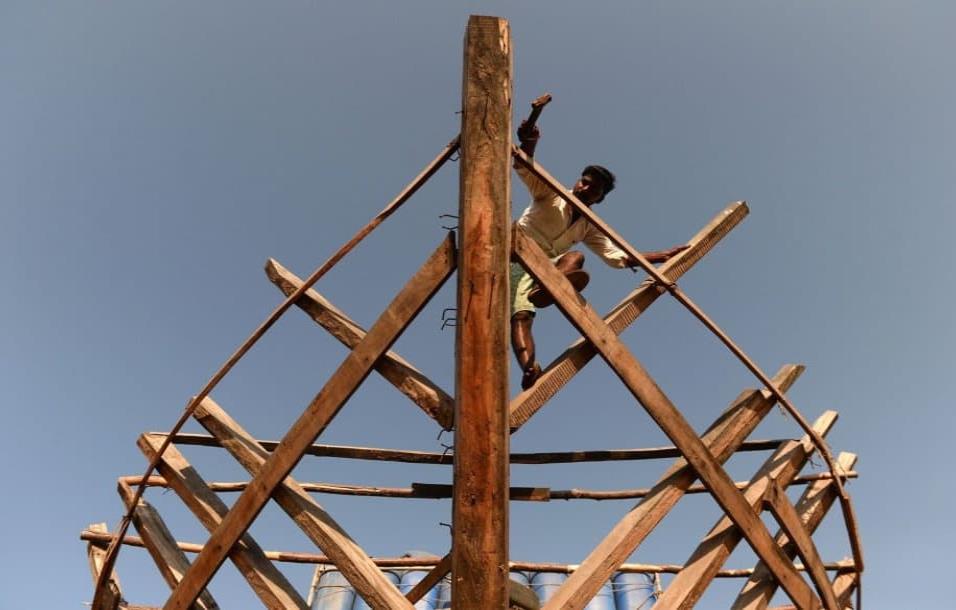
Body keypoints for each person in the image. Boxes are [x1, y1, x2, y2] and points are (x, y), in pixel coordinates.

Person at [511, 120, 688, 390]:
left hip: (544, 267)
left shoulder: (589, 226)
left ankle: (545, 287)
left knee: (577, 259)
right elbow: (526, 167)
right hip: (516, 255)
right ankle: (530, 366)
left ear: (598, 199)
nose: (585, 188)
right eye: (584, 182)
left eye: (593, 189)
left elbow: (615, 256)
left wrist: (661, 255)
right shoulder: (551, 194)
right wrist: (530, 142)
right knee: (522, 316)